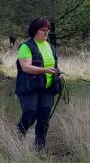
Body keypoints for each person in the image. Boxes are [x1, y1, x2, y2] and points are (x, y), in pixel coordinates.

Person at [15, 17, 61, 151]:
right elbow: (26, 68)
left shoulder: (50, 46)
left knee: (44, 116)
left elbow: (55, 66)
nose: (46, 32)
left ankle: (39, 148)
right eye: (43, 30)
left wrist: (60, 72)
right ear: (35, 31)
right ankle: (17, 138)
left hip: (47, 88)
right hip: (29, 88)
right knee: (30, 114)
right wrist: (45, 70)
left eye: (48, 30)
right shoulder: (26, 47)